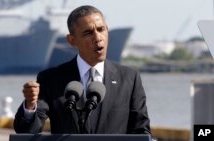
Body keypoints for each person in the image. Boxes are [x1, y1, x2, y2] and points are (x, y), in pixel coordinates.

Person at [14, 5, 156, 140]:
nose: (97, 37)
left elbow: (141, 131)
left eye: (101, 29)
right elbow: (27, 132)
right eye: (88, 33)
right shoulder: (51, 79)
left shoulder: (129, 78)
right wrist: (30, 106)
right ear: (72, 40)